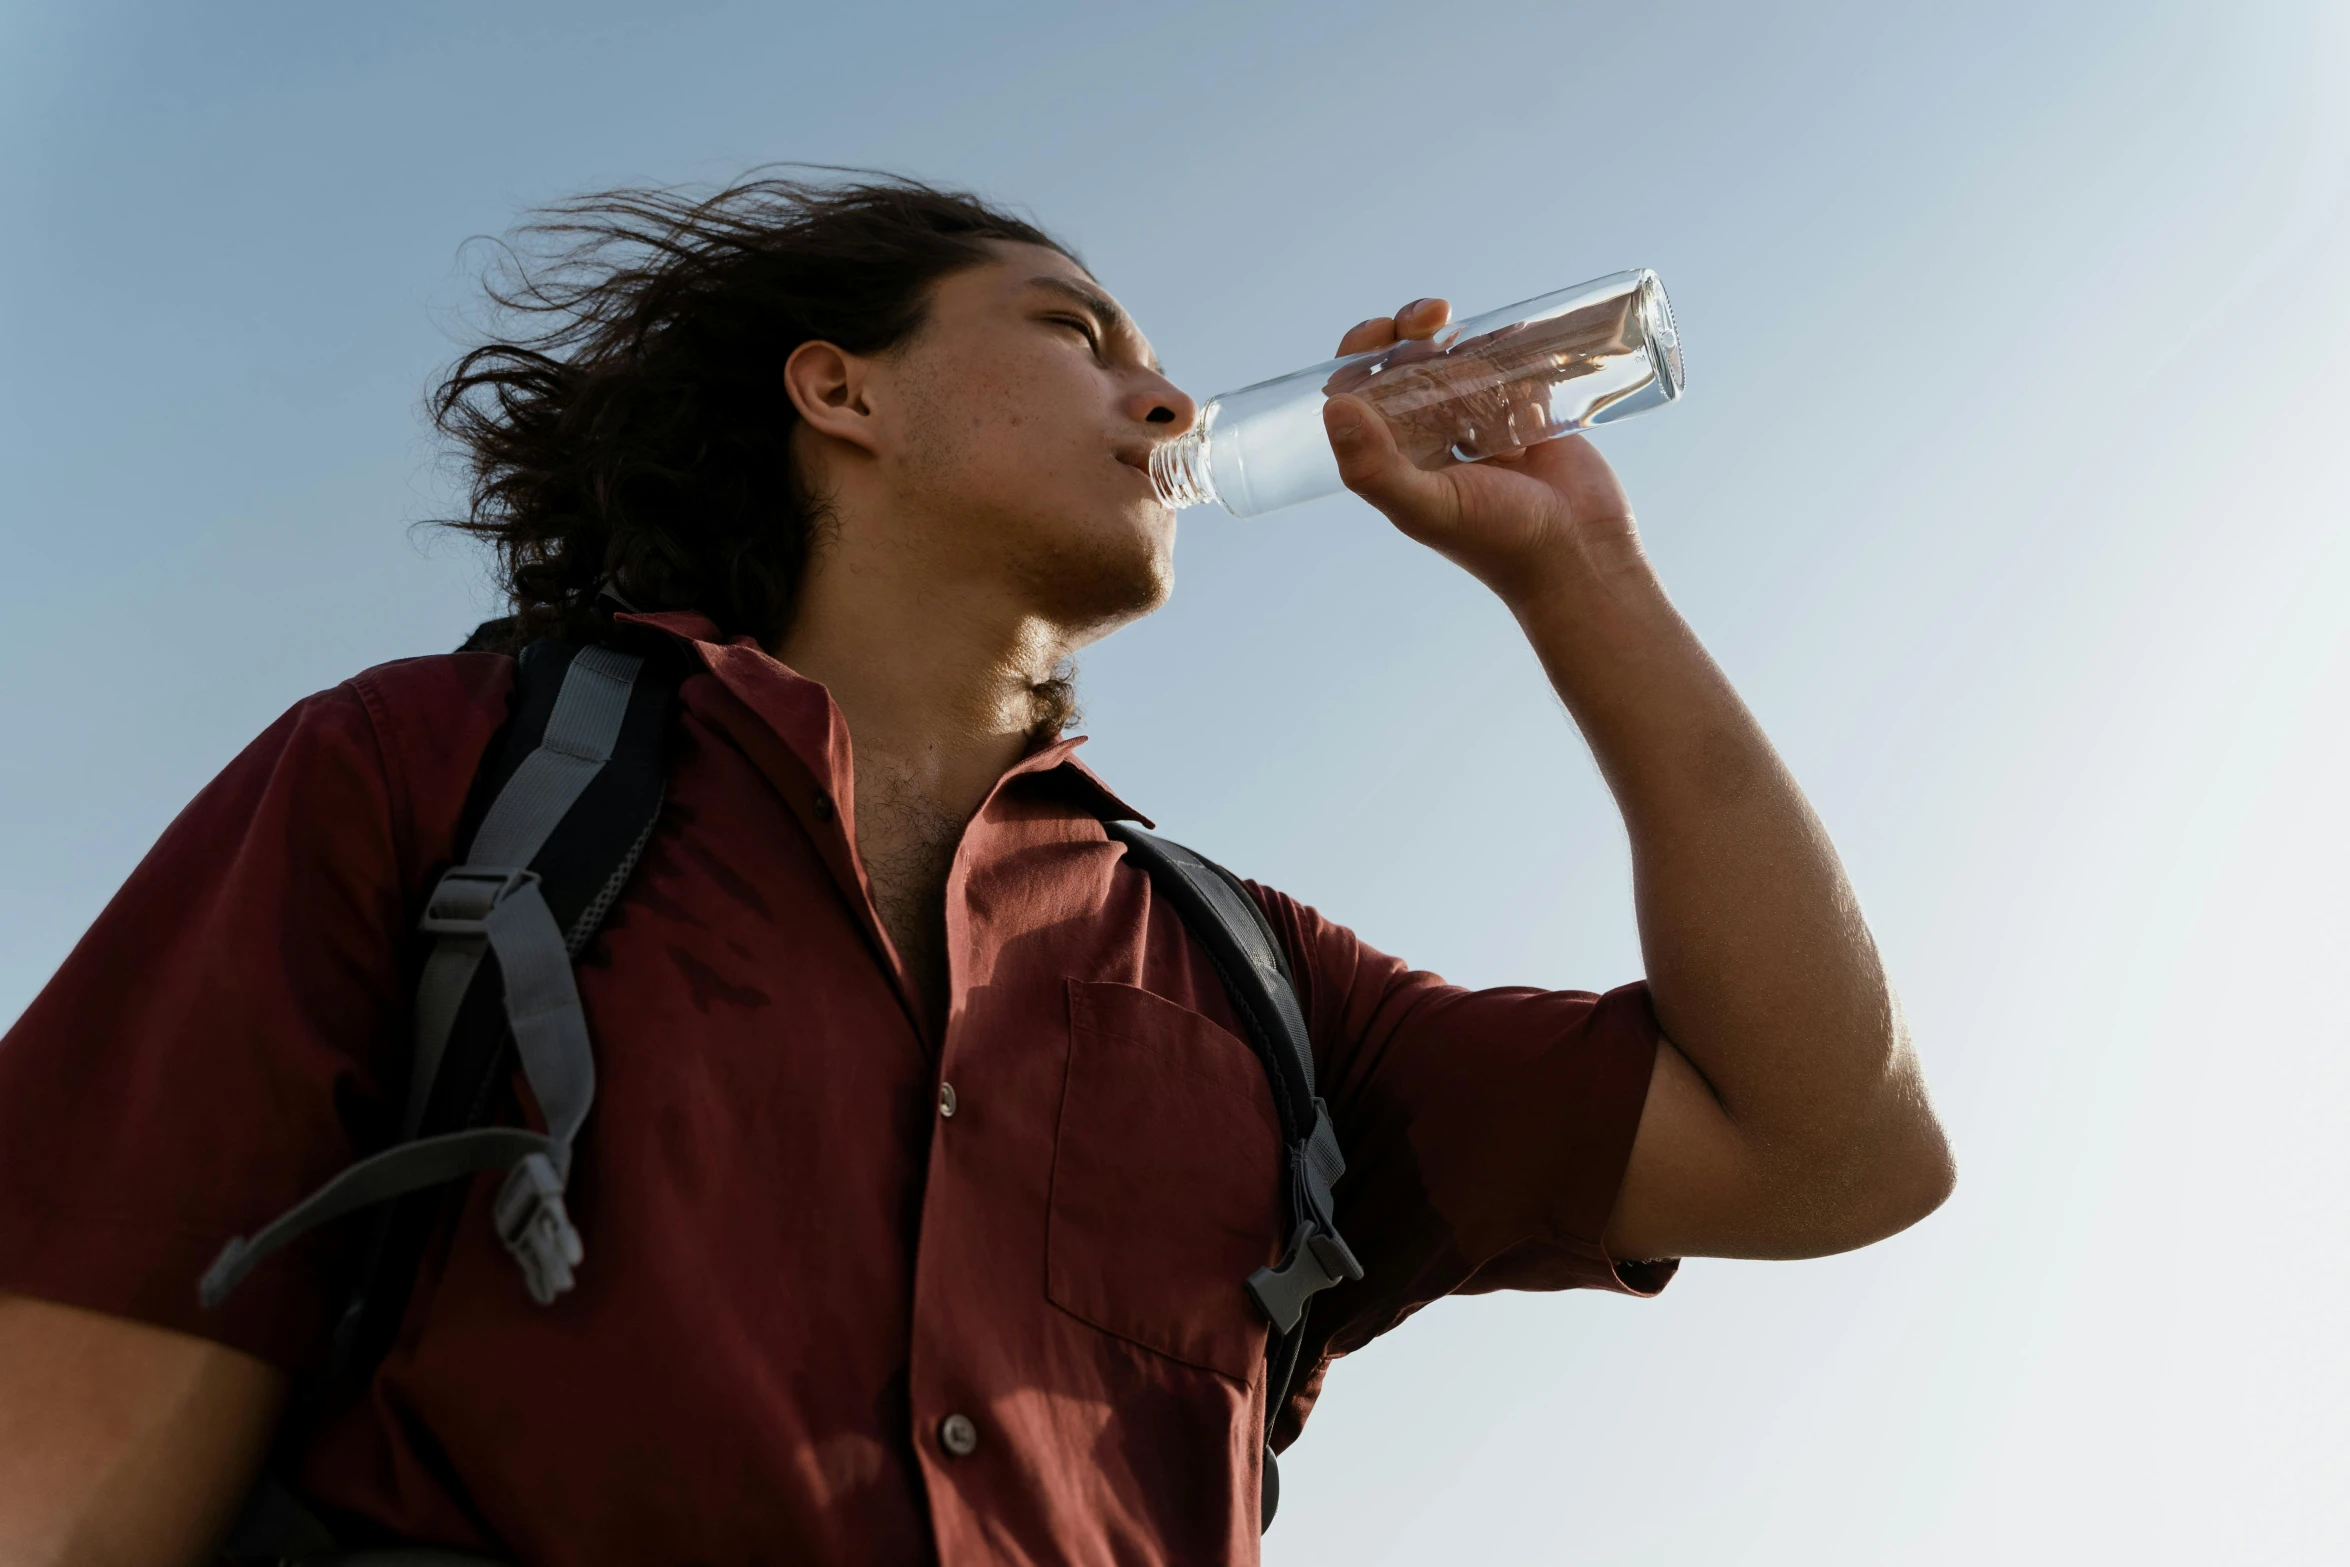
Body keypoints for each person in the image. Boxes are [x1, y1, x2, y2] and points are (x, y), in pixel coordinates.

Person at [0, 175, 1953, 1566]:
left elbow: (1832, 1154)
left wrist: (1578, 577)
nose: (1173, 403)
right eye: (1079, 335)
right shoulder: (444, 776)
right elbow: (82, 1408)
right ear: (840, 392)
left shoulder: (1250, 983)